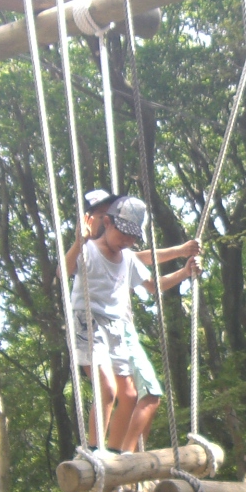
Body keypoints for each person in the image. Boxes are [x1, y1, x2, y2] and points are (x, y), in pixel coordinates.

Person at [66, 193, 199, 453]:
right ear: (107, 223)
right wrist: (78, 243)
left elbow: (154, 286)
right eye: (124, 234)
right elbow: (64, 271)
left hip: (116, 326)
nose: (127, 241)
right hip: (88, 322)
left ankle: (115, 454)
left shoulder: (128, 258)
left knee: (128, 395)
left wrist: (184, 272)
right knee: (107, 388)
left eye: (133, 237)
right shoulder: (88, 250)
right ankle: (93, 451)